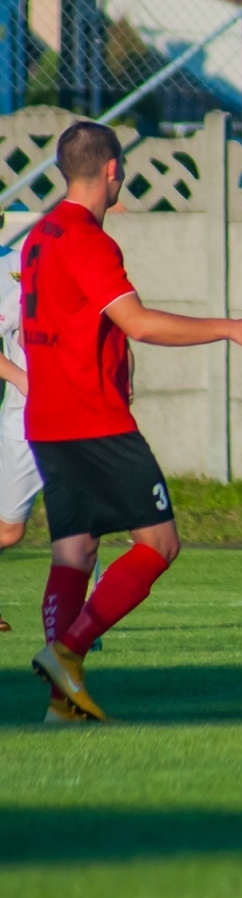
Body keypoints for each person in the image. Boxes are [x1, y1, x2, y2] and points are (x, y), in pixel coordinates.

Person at [28, 121, 242, 723]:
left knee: (74, 552)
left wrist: (117, 355)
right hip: (93, 419)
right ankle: (67, 651)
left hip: (48, 416)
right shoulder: (88, 239)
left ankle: (64, 701)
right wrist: (231, 329)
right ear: (113, 169)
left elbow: (79, 319)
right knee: (159, 544)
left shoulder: (42, 233)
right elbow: (137, 320)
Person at [0, 229, 40, 634]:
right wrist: (20, 378)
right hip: (23, 421)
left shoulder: (21, 263)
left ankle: (83, 625)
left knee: (84, 518)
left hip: (73, 416)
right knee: (9, 529)